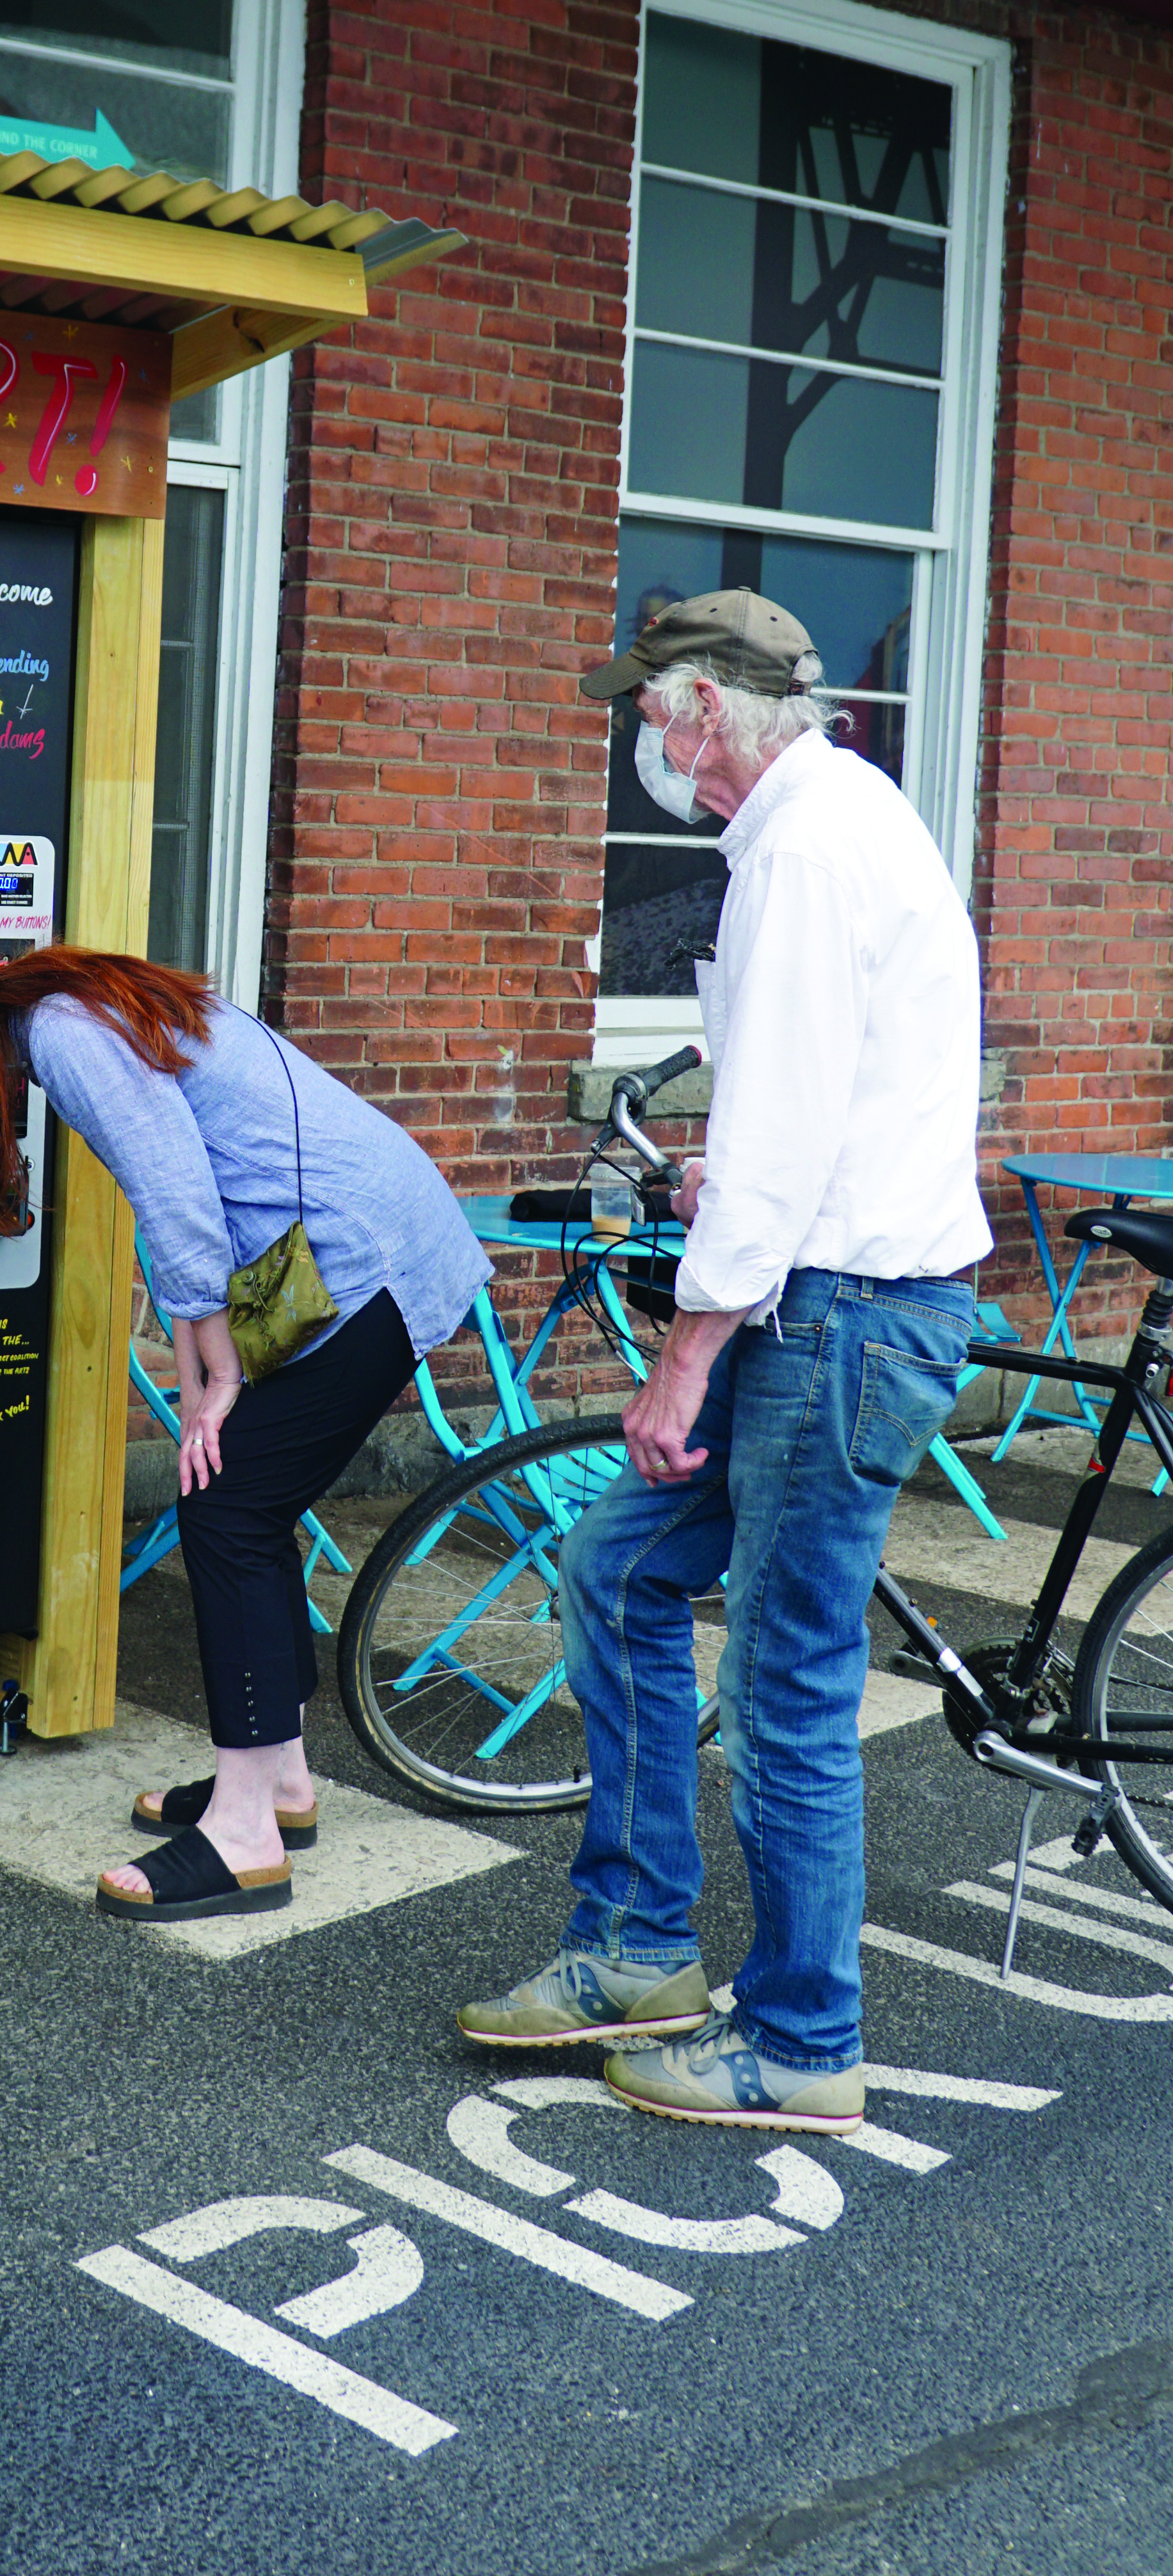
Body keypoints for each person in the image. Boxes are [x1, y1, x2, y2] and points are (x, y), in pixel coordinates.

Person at [459, 587, 989, 2133]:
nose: (635, 738)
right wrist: (732, 1204)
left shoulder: (808, 852)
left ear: (704, 711)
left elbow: (773, 1136)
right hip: (822, 1295)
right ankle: (634, 1951)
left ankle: (802, 2040)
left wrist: (681, 1354)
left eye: (644, 710)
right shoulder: (816, 830)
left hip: (836, 1318)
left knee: (782, 1687)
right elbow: (807, 1110)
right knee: (618, 1572)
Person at [0, 914, 490, 1923]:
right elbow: (183, 1183)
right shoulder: (74, 998)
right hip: (359, 1247)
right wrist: (201, 1367)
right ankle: (274, 1784)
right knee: (243, 1504)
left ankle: (243, 1840)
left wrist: (216, 1365)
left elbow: (173, 1185)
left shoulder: (62, 1031)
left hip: (367, 1268)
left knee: (226, 1513)